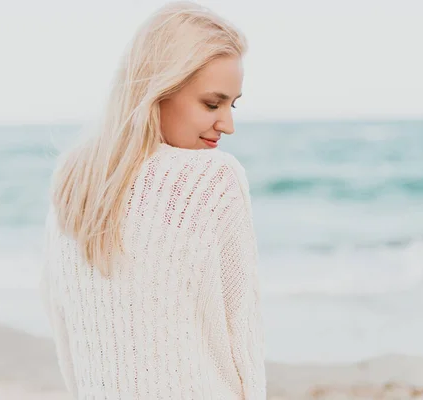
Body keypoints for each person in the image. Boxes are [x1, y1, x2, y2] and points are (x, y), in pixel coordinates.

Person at [39, 1, 266, 398]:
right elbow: (242, 336)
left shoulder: (73, 182)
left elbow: (66, 335)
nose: (227, 124)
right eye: (212, 104)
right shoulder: (215, 179)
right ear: (158, 90)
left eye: (233, 104)